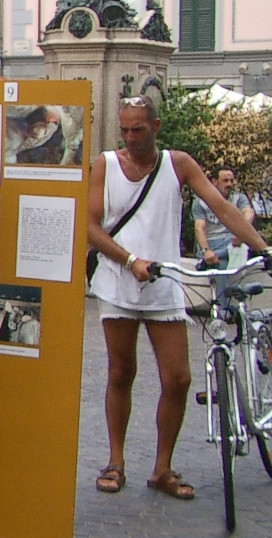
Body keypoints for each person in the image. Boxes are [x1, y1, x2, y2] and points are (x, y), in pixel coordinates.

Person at [88, 95, 268, 499]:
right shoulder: (107, 164)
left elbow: (221, 207)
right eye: (124, 129)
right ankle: (115, 461)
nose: (130, 137)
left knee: (178, 378)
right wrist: (130, 260)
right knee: (121, 372)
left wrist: (262, 247)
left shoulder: (178, 163)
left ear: (155, 126)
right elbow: (90, 226)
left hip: (165, 283)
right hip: (119, 280)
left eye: (138, 129)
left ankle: (162, 468)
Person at [193, 164, 255, 299]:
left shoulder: (238, 198)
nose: (230, 184)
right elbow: (199, 228)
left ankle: (222, 310)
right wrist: (206, 251)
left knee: (236, 251)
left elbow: (249, 213)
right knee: (221, 265)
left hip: (232, 242)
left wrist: (241, 233)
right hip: (212, 244)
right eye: (225, 181)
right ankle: (224, 309)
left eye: (232, 181)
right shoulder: (201, 202)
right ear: (214, 182)